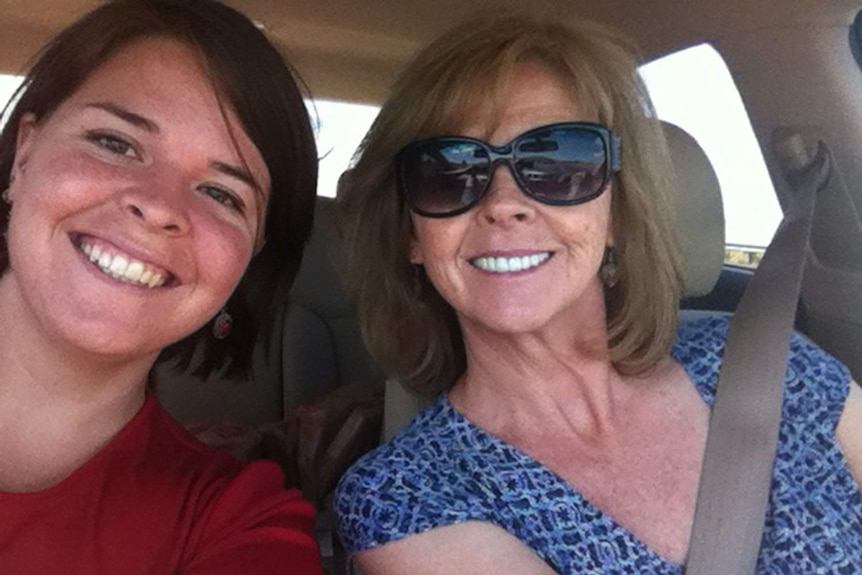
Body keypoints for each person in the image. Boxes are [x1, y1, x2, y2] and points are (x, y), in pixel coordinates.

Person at [334, 12, 862, 575]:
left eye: (559, 163)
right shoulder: (406, 496)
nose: (502, 203)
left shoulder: (772, 363)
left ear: (615, 214)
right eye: (450, 171)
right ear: (410, 234)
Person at [0, 0, 322, 572]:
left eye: (223, 194)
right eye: (115, 142)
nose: (157, 206)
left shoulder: (239, 521)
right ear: (24, 154)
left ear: (247, 262)